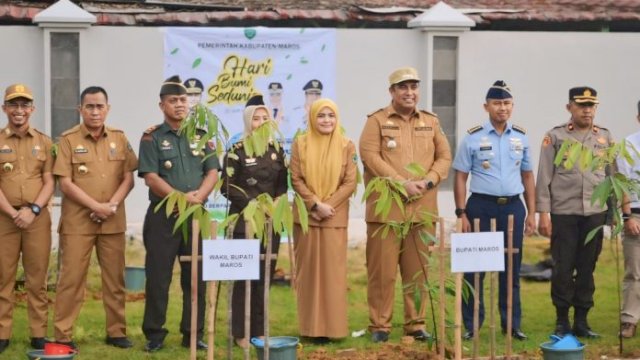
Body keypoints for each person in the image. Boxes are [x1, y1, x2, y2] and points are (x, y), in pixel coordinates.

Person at [359, 67, 451, 343]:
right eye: (403, 87)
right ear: (392, 92)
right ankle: (380, 325)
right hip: (386, 211)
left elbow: (444, 156)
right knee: (382, 272)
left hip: (422, 208)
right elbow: (370, 156)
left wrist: (429, 182)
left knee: (418, 270)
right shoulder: (377, 120)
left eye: (413, 87)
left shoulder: (431, 122)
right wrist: (401, 183)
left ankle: (416, 324)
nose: (409, 92)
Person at [53, 86, 138, 350]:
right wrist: (95, 206)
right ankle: (63, 335)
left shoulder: (120, 138)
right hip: (78, 222)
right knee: (71, 280)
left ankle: (116, 332)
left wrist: (110, 205)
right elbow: (65, 184)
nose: (95, 111)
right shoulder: (67, 140)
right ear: (80, 110)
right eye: (89, 106)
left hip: (112, 221)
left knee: (114, 280)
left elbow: (128, 178)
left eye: (100, 106)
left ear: (107, 109)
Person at [138, 75, 219, 352]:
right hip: (164, 216)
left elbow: (212, 171)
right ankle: (155, 335)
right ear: (161, 105)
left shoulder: (201, 135)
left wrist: (199, 196)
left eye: (183, 100)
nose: (179, 105)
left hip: (196, 215)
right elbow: (150, 176)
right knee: (158, 277)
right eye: (173, 101)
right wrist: (179, 198)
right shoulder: (152, 137)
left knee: (195, 276)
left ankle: (193, 332)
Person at [452, 80, 535, 341]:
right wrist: (461, 213)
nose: (502, 108)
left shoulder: (520, 137)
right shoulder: (473, 138)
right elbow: (460, 177)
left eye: (507, 103)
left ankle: (511, 325)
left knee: (511, 269)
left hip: (512, 207)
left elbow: (528, 176)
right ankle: (472, 325)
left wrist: (532, 212)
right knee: (476, 268)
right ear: (486, 106)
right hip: (481, 207)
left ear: (512, 106)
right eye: (497, 103)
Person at [536, 86, 613, 338]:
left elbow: (612, 178)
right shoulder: (555, 136)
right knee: (563, 267)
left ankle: (582, 320)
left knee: (587, 267)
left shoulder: (604, 137)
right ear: (569, 107)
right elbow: (544, 176)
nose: (587, 110)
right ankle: (562, 321)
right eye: (581, 105)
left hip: (594, 213)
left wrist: (612, 215)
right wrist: (543, 213)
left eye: (591, 106)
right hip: (564, 213)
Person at [221, 95, 288, 348]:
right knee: (243, 278)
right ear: (248, 121)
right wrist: (254, 205)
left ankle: (258, 331)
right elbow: (227, 186)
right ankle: (240, 333)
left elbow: (282, 184)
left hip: (271, 222)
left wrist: (275, 205)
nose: (261, 122)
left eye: (265, 118)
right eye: (256, 118)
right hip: (243, 222)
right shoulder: (236, 151)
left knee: (264, 278)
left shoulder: (277, 151)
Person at [291, 98, 357, 342]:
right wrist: (315, 204)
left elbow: (350, 181)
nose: (326, 120)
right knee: (308, 275)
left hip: (334, 217)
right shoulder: (301, 144)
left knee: (332, 276)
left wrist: (328, 205)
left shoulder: (347, 145)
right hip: (307, 218)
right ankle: (310, 329)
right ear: (312, 118)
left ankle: (333, 329)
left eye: (331, 115)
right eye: (321, 115)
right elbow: (296, 178)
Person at [0, 84, 54, 353]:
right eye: (13, 105)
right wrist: (12, 213)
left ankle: (38, 333)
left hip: (37, 219)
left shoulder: (44, 142)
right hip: (4, 219)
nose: (19, 110)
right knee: (3, 277)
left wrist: (32, 210)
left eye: (24, 105)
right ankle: (2, 333)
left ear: (32, 109)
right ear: (4, 109)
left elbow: (49, 181)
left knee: (37, 278)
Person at [616, 100, 640, 339]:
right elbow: (622, 183)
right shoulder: (628, 146)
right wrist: (627, 216)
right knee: (634, 272)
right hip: (637, 215)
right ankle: (630, 320)